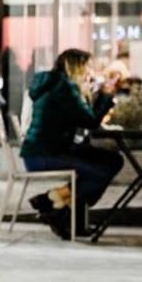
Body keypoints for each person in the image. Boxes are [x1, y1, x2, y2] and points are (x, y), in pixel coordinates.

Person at [21, 49, 123, 239]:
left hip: (48, 150)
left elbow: (82, 117)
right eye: (87, 67)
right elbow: (90, 120)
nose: (89, 72)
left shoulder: (56, 84)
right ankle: (57, 210)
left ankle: (55, 202)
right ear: (76, 68)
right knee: (99, 172)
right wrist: (106, 95)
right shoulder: (64, 87)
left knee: (113, 160)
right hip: (45, 154)